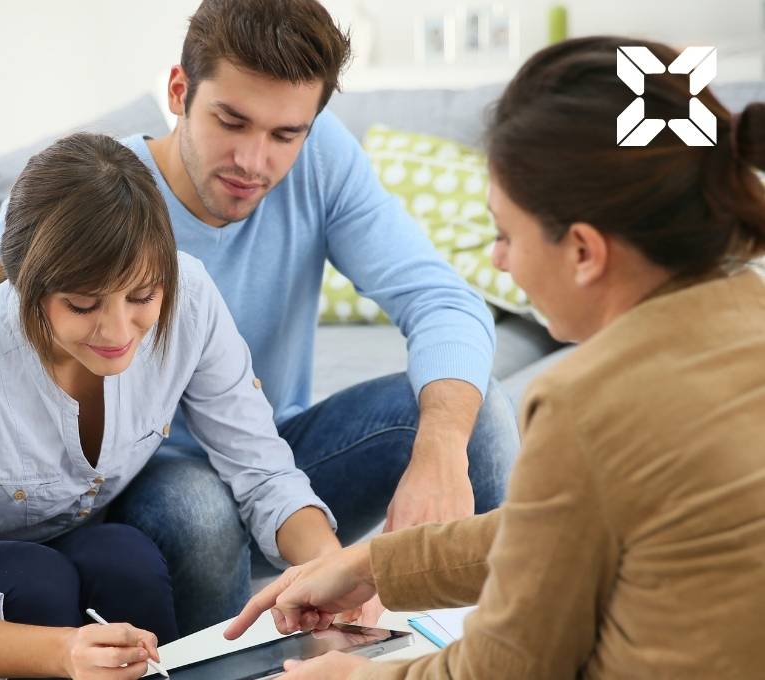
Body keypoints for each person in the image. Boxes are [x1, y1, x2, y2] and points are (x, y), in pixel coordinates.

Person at [0, 0, 520, 635]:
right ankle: (233, 656)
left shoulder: (322, 163)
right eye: (232, 120)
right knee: (197, 502)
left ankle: (446, 644)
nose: (255, 161)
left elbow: (441, 299)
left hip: (265, 443)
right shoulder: (93, 201)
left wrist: (441, 447)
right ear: (179, 89)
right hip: (136, 471)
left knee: (474, 415)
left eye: (285, 134)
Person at [224, 36, 765, 679]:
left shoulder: (586, 404)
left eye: (505, 234)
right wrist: (372, 564)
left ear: (585, 251)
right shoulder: (747, 311)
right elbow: (555, 532)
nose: (497, 261)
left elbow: (503, 668)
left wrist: (353, 677)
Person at [0, 133, 340, 679]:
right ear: (26, 284)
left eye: (142, 296)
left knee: (128, 563)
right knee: (36, 585)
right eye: (84, 305)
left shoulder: (192, 298)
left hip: (40, 545)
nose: (117, 331)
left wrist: (333, 571)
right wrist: (64, 653)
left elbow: (262, 468)